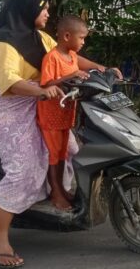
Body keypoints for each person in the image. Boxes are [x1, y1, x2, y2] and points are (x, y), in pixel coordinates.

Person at [0, 0, 118, 268]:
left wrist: (102, 69)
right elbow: (9, 83)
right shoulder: (2, 44)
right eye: (43, 8)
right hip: (6, 107)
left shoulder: (40, 37)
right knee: (25, 164)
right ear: (28, 9)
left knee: (70, 147)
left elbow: (70, 58)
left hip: (41, 101)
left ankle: (53, 192)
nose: (47, 14)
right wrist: (43, 90)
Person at [37, 15, 91, 210]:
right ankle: (56, 193)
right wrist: (72, 75)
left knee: (62, 153)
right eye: (82, 38)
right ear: (67, 36)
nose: (83, 42)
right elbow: (46, 84)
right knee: (54, 155)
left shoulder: (73, 56)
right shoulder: (52, 57)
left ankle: (59, 188)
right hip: (51, 115)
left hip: (66, 113)